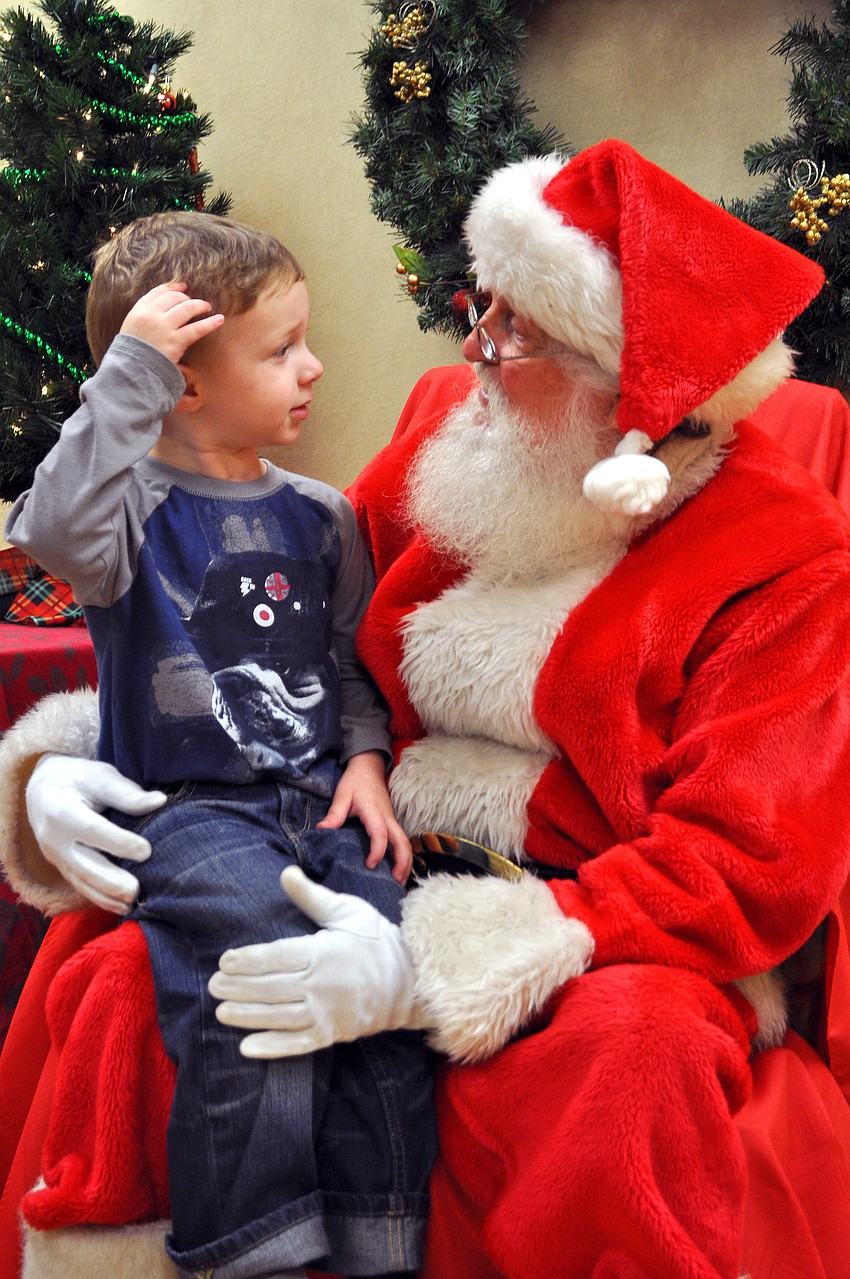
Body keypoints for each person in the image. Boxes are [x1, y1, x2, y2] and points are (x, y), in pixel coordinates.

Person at [3, 138, 850, 1279]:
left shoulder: (784, 557)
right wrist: (62, 766)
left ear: (628, 380)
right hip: (359, 842)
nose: (473, 349)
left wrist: (430, 965)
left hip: (601, 919)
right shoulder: (457, 455)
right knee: (123, 977)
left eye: (517, 330)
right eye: (480, 305)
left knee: (628, 1056)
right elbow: (252, 642)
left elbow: (746, 861)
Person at [3, 212, 435, 1279]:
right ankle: (250, 1247)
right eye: (282, 348)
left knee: (382, 946)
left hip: (320, 797)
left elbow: (345, 671)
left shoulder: (326, 518)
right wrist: (130, 370)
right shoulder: (124, 519)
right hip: (189, 811)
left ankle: (382, 1235)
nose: (314, 365)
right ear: (185, 385)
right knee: (252, 951)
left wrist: (369, 760)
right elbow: (46, 529)